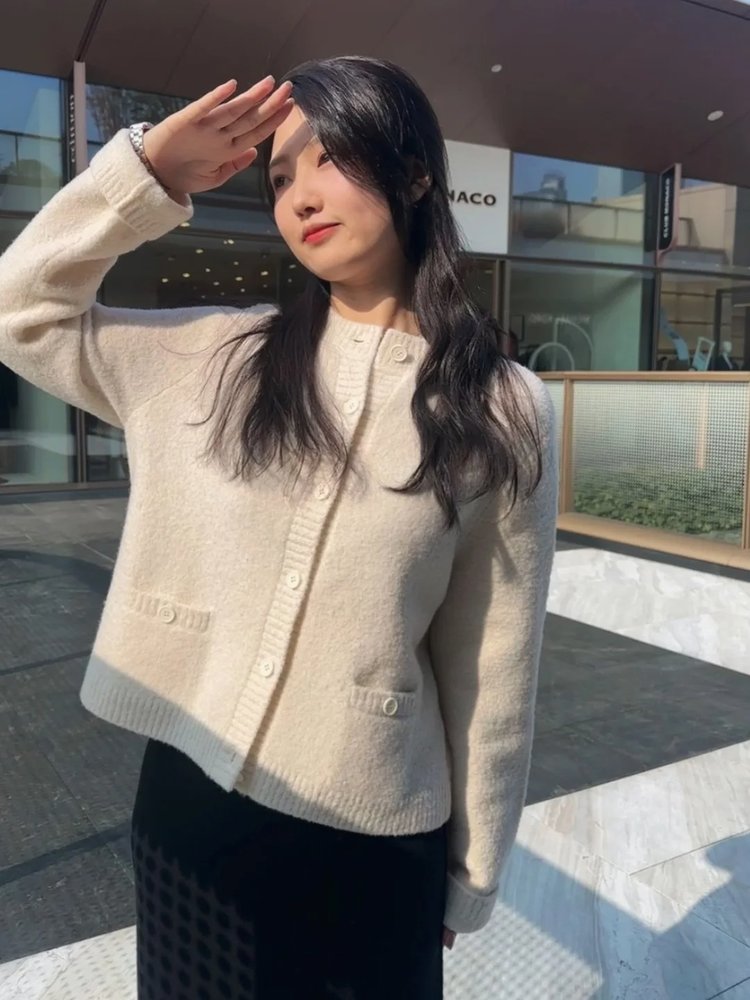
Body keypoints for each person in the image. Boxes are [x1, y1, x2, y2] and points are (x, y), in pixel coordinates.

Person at [0, 56, 558, 999]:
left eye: (330, 159)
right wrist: (147, 175)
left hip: (375, 827)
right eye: (280, 176)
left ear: (414, 173)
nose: (300, 195)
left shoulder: (500, 406)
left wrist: (473, 873)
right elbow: (21, 310)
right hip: (196, 812)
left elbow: (493, 661)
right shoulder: (214, 356)